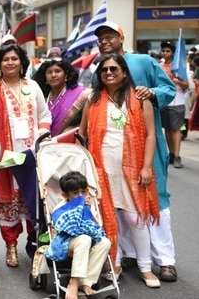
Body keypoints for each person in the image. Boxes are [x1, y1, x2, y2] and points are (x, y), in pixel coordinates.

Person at [94, 21, 178, 283]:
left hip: (145, 147)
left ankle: (165, 260)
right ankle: (129, 253)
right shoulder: (101, 68)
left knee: (156, 198)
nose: (105, 41)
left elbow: (169, 89)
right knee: (120, 203)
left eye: (110, 36)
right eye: (101, 38)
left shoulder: (143, 61)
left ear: (121, 37)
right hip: (111, 151)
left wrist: (151, 92)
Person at [78, 53, 160, 288]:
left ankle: (145, 267)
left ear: (124, 72)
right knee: (105, 218)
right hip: (101, 168)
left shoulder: (140, 98)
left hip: (132, 169)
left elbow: (151, 135)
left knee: (135, 218)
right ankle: (113, 262)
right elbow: (81, 135)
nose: (109, 73)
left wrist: (146, 167)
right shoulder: (93, 99)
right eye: (104, 70)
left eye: (114, 69)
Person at [0, 43, 51, 268]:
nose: (10, 62)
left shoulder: (33, 86)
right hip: (6, 155)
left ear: (21, 63)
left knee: (33, 200)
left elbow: (44, 114)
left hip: (32, 155)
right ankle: (10, 247)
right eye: (6, 59)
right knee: (8, 201)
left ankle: (34, 243)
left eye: (14, 59)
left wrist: (43, 137)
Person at [45, 171, 110, 299]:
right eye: (75, 193)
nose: (81, 196)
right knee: (84, 239)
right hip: (67, 241)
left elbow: (96, 226)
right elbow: (63, 226)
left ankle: (85, 282)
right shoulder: (62, 208)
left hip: (88, 238)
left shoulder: (88, 205)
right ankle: (73, 283)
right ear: (66, 195)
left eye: (83, 192)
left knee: (105, 242)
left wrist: (90, 210)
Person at [32, 58, 91, 137]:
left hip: (72, 143)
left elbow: (90, 123)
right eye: (49, 72)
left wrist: (74, 128)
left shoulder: (81, 94)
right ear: (45, 77)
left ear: (66, 75)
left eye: (57, 71)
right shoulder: (41, 95)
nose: (53, 75)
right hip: (43, 143)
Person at [159, 40, 189, 168]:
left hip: (177, 101)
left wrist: (177, 81)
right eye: (163, 51)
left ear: (173, 53)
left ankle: (177, 156)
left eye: (168, 51)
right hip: (164, 101)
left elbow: (187, 85)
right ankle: (171, 153)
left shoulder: (179, 67)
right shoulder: (160, 66)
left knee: (176, 129)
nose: (165, 53)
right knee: (168, 129)